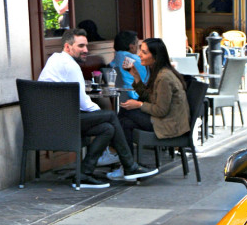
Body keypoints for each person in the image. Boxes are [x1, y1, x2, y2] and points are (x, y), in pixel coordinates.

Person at [38, 28, 158, 186]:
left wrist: (101, 118)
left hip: (51, 120)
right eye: (80, 46)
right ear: (67, 47)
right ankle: (129, 166)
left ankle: (84, 174)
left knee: (107, 128)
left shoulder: (55, 59)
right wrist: (101, 115)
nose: (85, 50)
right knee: (111, 117)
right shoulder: (71, 66)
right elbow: (84, 104)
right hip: (61, 122)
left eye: (86, 46)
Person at [117, 37, 190, 164]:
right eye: (140, 50)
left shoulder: (164, 77)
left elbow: (160, 110)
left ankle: (122, 159)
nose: (139, 55)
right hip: (165, 120)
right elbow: (149, 97)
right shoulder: (158, 72)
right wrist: (134, 74)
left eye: (144, 52)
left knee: (125, 113)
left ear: (155, 57)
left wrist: (139, 104)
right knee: (125, 122)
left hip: (169, 125)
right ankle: (126, 164)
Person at [110, 30, 147, 100]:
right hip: (136, 95)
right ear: (132, 47)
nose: (138, 48)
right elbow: (149, 78)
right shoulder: (131, 59)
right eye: (137, 44)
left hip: (122, 96)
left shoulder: (117, 58)